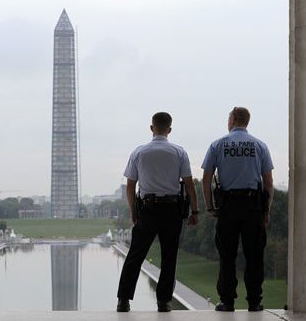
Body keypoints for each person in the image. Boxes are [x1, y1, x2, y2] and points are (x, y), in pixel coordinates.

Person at [116, 112, 199, 313]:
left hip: (147, 209)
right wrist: (194, 211)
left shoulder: (139, 152)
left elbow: (130, 186)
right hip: (171, 210)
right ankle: (164, 302)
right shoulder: (179, 152)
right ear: (169, 129)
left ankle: (124, 300)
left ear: (152, 128)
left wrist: (133, 210)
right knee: (169, 257)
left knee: (135, 255)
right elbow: (189, 186)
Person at [201, 107, 274, 312]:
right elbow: (268, 182)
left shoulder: (217, 144)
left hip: (228, 207)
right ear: (247, 121)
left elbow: (206, 179)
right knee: (254, 256)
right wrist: (266, 211)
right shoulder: (260, 146)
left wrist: (209, 206)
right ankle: (254, 301)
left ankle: (227, 301)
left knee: (227, 256)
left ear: (232, 120)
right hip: (253, 207)